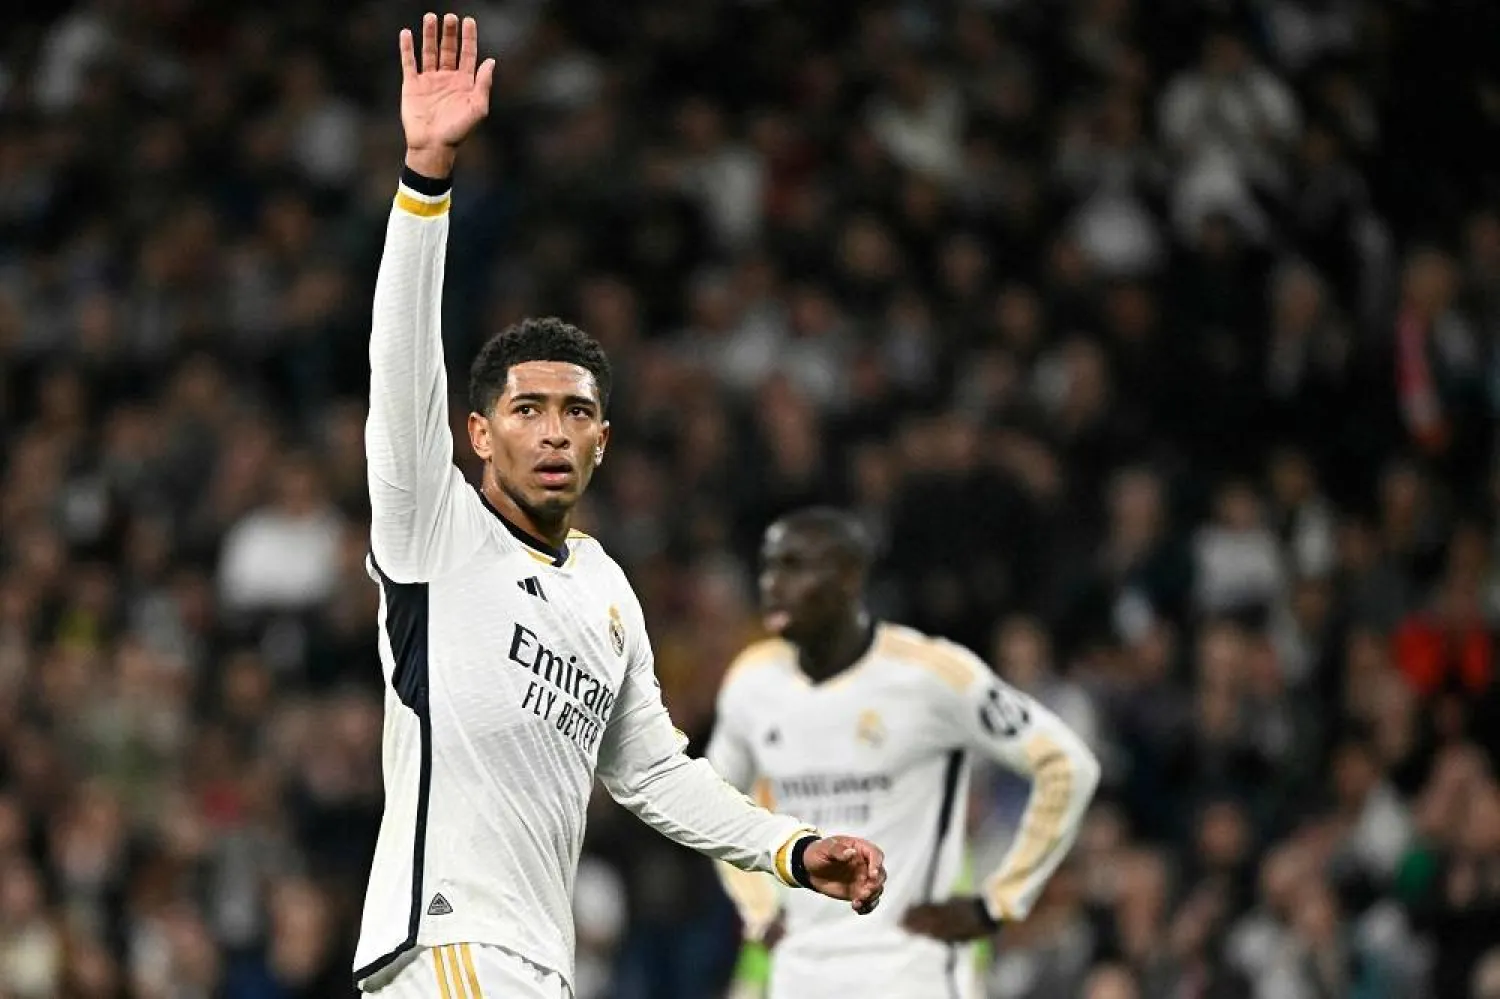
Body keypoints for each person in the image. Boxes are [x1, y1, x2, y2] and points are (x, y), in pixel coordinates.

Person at [356, 15, 887, 999]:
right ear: (479, 434)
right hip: (447, 947)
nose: (553, 433)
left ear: (603, 439)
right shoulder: (435, 530)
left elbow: (653, 772)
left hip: (536, 965)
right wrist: (426, 179)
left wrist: (789, 847)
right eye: (527, 410)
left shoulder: (601, 590)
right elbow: (400, 366)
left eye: (576, 414)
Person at [708, 508, 1100, 999]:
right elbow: (712, 799)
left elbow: (1067, 765)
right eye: (768, 567)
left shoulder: (930, 675)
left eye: (794, 567)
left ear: (849, 577)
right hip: (801, 974)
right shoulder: (753, 682)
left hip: (911, 975)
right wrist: (759, 909)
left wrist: (998, 903)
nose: (772, 584)